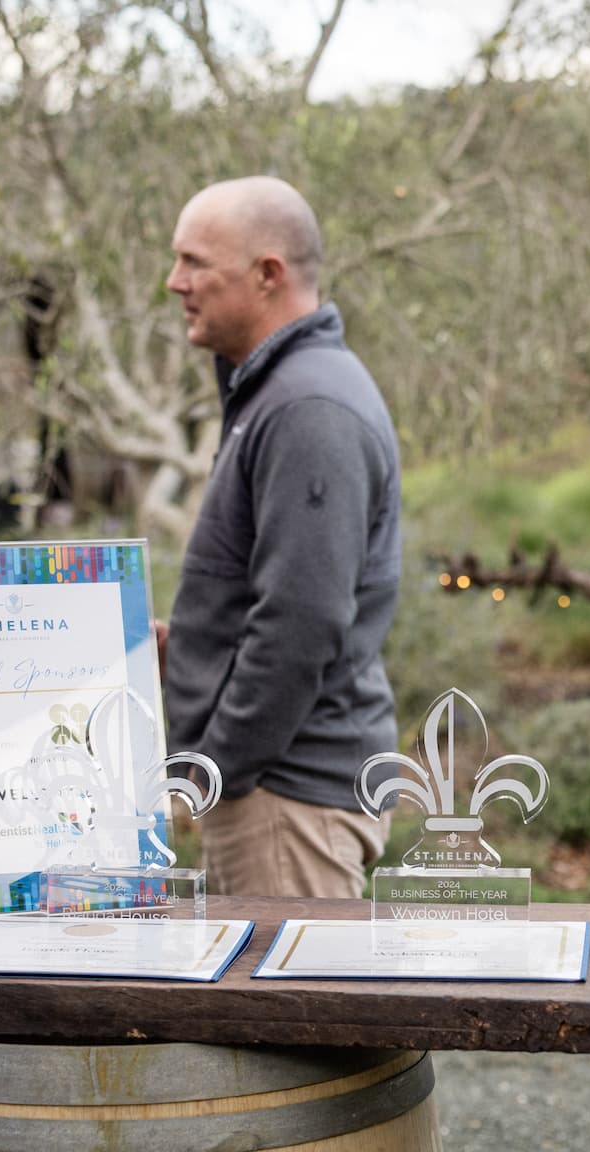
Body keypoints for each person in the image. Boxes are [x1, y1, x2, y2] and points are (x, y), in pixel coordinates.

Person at [161, 176, 401, 898]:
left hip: (287, 804)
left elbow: (302, 623)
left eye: (195, 263)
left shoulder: (308, 408)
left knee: (291, 1010)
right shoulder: (278, 393)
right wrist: (193, 645)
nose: (175, 283)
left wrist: (217, 770)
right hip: (279, 795)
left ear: (269, 275)